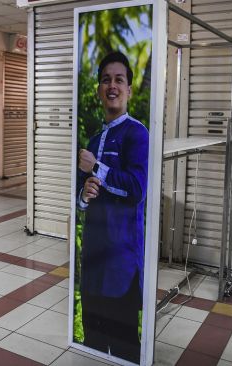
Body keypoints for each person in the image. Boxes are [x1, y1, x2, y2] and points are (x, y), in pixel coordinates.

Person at [76, 51, 148, 363]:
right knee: (92, 341)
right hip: (92, 260)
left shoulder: (137, 133)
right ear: (99, 89)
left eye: (119, 79)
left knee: (124, 346)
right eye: (106, 80)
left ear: (129, 90)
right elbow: (81, 198)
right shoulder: (93, 140)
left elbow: (136, 190)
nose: (112, 85)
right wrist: (84, 195)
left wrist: (97, 170)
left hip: (122, 264)